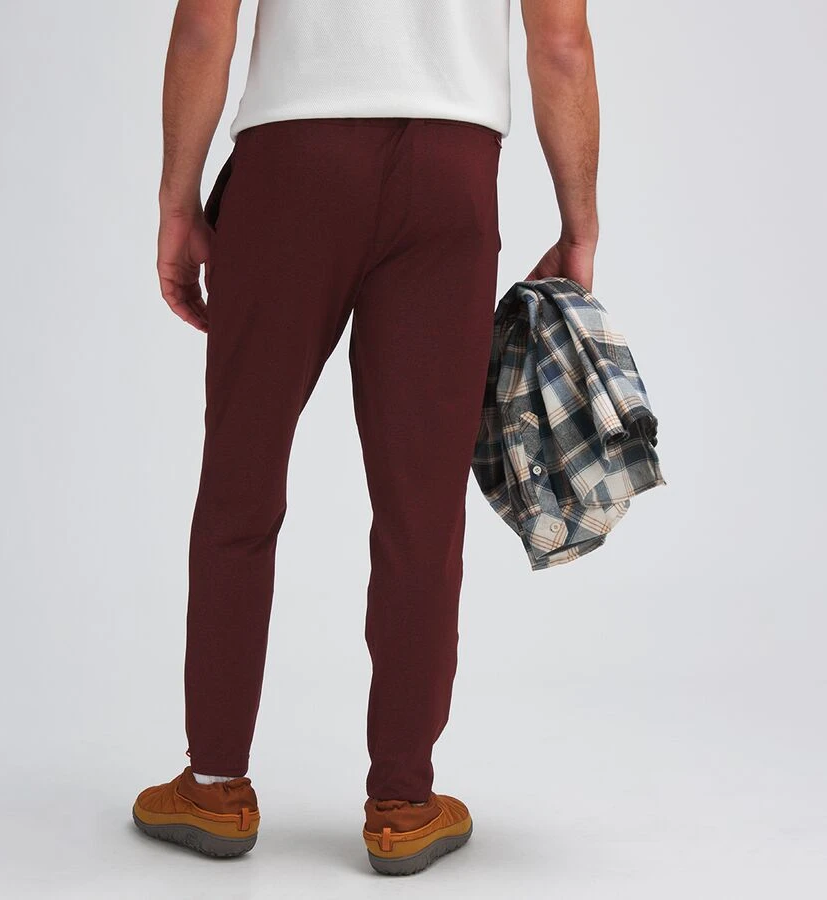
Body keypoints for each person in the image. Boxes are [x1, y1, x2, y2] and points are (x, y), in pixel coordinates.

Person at [132, 0, 599, 875]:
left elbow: (203, 24)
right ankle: (404, 803)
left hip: (290, 165)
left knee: (240, 478)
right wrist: (579, 226)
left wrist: (177, 199)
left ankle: (216, 786)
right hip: (452, 172)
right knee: (422, 507)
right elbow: (562, 43)